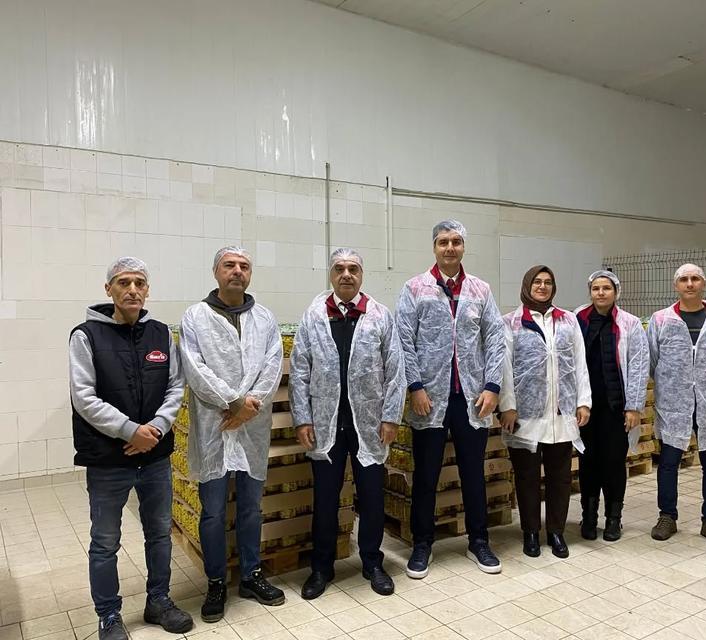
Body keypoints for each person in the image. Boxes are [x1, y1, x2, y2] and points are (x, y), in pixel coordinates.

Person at [69, 258, 193, 640]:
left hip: (155, 456)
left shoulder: (160, 334)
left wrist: (154, 428)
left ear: (147, 290)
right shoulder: (86, 336)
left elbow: (175, 386)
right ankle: (109, 615)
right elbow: (84, 396)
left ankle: (159, 601)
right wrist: (129, 431)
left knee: (159, 533)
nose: (133, 289)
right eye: (124, 282)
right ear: (109, 289)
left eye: (140, 282)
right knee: (105, 542)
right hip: (109, 459)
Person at [290, 248, 406, 599]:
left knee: (372, 497)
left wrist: (390, 416)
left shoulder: (379, 315)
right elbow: (300, 369)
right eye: (339, 268)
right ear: (331, 274)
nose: (346, 274)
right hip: (326, 423)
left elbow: (395, 369)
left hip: (368, 424)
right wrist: (303, 418)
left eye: (353, 269)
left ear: (361, 274)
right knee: (325, 499)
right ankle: (321, 567)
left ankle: (372, 562)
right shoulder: (314, 316)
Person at [180, 246, 285, 622]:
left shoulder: (265, 318)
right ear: (216, 272)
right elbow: (195, 368)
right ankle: (216, 581)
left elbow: (273, 364)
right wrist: (234, 402)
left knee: (251, 506)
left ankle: (251, 575)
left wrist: (248, 405)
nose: (237, 271)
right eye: (229, 265)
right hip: (215, 424)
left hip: (252, 425)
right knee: (212, 511)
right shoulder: (195, 317)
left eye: (244, 266)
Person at [396, 220, 505, 578]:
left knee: (473, 474)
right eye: (443, 242)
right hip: (429, 397)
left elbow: (495, 338)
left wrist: (492, 386)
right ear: (434, 247)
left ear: (463, 247)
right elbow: (403, 340)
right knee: (426, 475)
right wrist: (415, 386)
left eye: (456, 241)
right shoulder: (415, 288)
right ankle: (422, 544)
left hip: (471, 399)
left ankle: (479, 541)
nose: (450, 248)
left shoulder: (480, 290)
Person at [498, 266, 591, 559]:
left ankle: (555, 531)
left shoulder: (568, 320)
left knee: (559, 476)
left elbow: (580, 362)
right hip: (525, 415)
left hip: (561, 412)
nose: (542, 286)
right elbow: (504, 367)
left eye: (548, 282)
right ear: (527, 285)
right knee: (526, 476)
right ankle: (530, 532)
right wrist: (508, 406)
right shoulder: (511, 322)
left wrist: (583, 401)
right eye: (537, 282)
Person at [648, 263, 706, 548]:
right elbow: (652, 360)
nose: (690, 284)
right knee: (668, 462)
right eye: (684, 279)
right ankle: (667, 517)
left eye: (695, 279)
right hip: (673, 402)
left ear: (704, 283)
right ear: (676, 285)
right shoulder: (661, 320)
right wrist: (677, 384)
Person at [575, 270, 649, 542]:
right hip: (585, 407)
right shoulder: (578, 319)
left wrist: (634, 406)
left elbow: (639, 365)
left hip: (616, 408)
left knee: (614, 463)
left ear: (616, 292)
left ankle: (613, 519)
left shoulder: (629, 323)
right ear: (590, 292)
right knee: (588, 461)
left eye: (606, 288)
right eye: (596, 288)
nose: (601, 293)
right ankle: (589, 516)